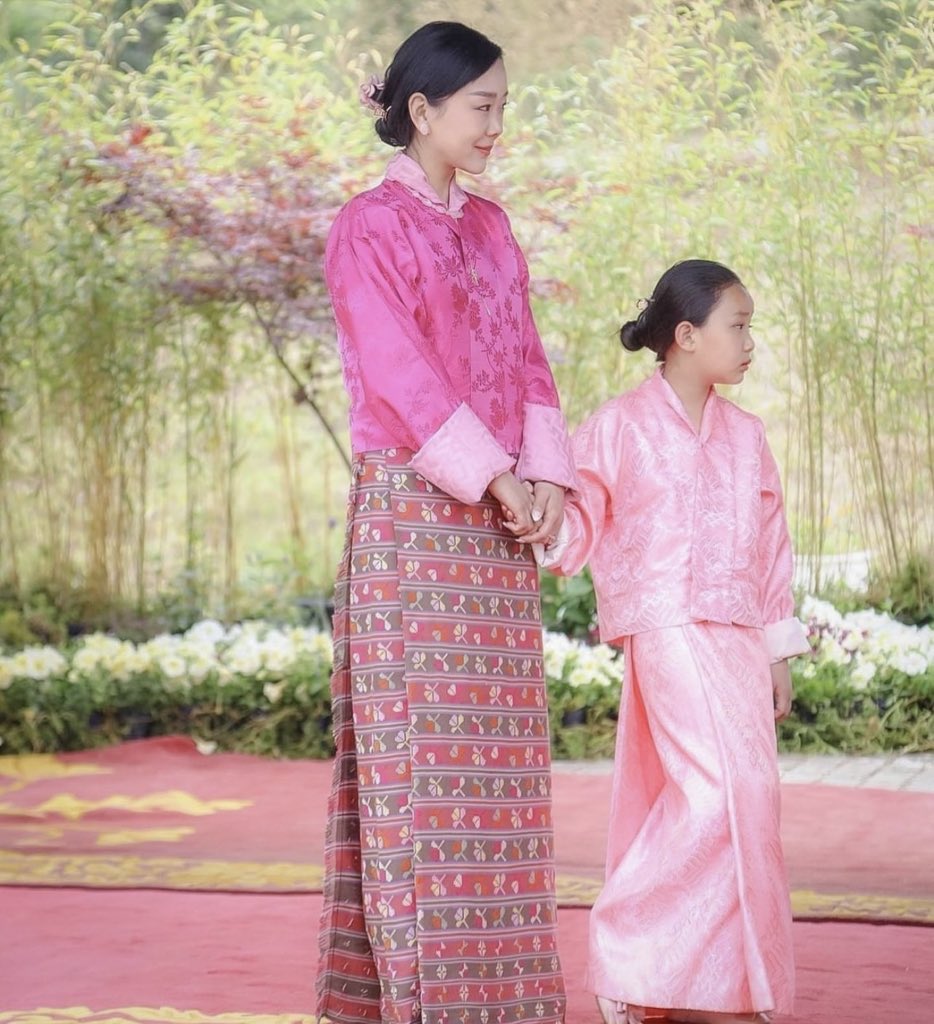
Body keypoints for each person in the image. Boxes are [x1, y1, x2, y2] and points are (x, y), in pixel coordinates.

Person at [316, 21, 577, 1024]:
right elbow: (396, 374)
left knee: (502, 776)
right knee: (420, 774)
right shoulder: (365, 228)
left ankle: (507, 997)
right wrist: (496, 477)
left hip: (496, 529)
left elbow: (526, 354)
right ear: (420, 111)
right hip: (415, 527)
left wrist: (546, 474)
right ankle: (427, 999)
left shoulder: (494, 226)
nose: (496, 125)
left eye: (503, 106)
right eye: (482, 106)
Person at [532, 260, 810, 1024]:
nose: (750, 342)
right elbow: (574, 516)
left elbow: (771, 547)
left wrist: (777, 650)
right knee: (722, 792)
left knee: (752, 801)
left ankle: (709, 982)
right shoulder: (619, 424)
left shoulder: (747, 437)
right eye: (739, 325)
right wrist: (535, 519)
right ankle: (627, 947)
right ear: (686, 337)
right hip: (664, 625)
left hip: (737, 638)